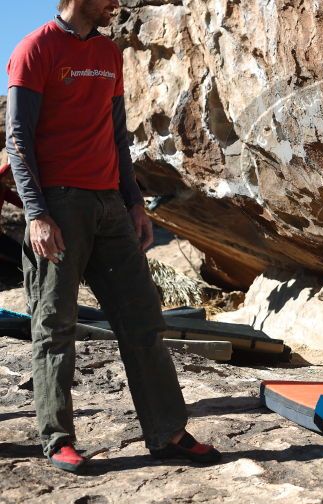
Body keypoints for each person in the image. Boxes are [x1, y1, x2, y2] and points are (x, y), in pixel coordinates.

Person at [5, 0, 220, 473]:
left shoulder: (108, 53)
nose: (116, 4)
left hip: (110, 208)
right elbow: (17, 138)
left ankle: (167, 433)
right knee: (55, 326)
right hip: (60, 206)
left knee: (143, 321)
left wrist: (134, 202)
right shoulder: (34, 49)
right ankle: (57, 439)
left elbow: (116, 134)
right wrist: (37, 214)